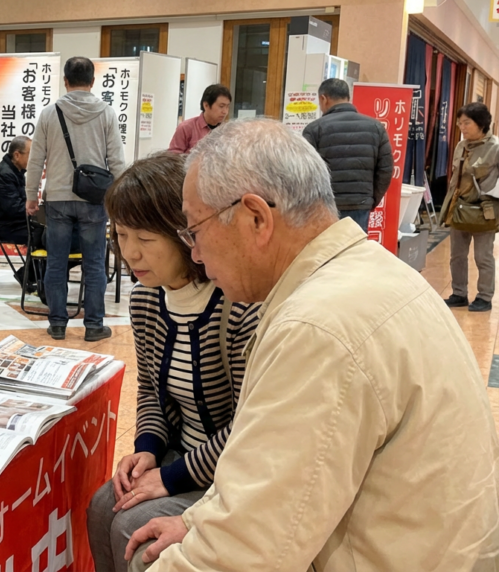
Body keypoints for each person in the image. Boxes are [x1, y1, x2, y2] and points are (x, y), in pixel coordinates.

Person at [122, 118, 499, 571]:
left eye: (195, 231)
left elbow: (243, 556)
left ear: (256, 218)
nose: (196, 254)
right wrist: (200, 519)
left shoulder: (317, 328)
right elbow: (277, 487)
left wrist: (200, 531)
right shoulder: (373, 272)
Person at [86, 153, 260, 572]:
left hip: (230, 475)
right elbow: (150, 390)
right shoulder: (147, 300)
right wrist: (147, 449)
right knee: (101, 505)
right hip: (179, 456)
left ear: (185, 236)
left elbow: (247, 428)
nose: (130, 253)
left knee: (135, 527)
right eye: (121, 236)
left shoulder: (236, 305)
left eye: (145, 239)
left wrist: (169, 478)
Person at [25, 56, 126, 342]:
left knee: (56, 262)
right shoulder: (106, 113)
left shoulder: (49, 113)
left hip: (57, 198)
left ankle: (57, 323)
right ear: (93, 82)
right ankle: (94, 325)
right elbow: (116, 160)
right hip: (94, 199)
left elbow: (36, 160)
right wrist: (122, 198)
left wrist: (31, 195)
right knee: (94, 264)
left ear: (65, 81)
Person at [302, 78, 393, 232]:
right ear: (347, 98)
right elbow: (386, 169)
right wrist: (370, 199)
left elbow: (305, 172)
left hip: (325, 206)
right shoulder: (376, 127)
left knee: (326, 252)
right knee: (354, 252)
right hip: (360, 204)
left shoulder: (314, 129)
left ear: (324, 98)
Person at [440, 102, 499, 313]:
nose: (462, 128)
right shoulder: (460, 146)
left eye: (467, 123)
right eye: (459, 123)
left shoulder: (495, 147)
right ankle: (459, 293)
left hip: (484, 211)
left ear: (481, 124)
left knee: (483, 256)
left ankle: (484, 297)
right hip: (459, 207)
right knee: (457, 255)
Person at [0, 135, 38, 287]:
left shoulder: (16, 171)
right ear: (17, 155)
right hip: (4, 227)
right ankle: (28, 275)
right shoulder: (4, 175)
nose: (33, 159)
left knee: (48, 234)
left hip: (14, 222)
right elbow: (14, 209)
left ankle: (31, 274)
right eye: (30, 154)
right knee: (44, 237)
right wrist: (36, 211)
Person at [167, 85, 231, 155]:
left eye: (227, 107)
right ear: (206, 105)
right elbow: (173, 157)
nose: (225, 112)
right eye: (221, 106)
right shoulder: (186, 127)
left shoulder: (227, 130)